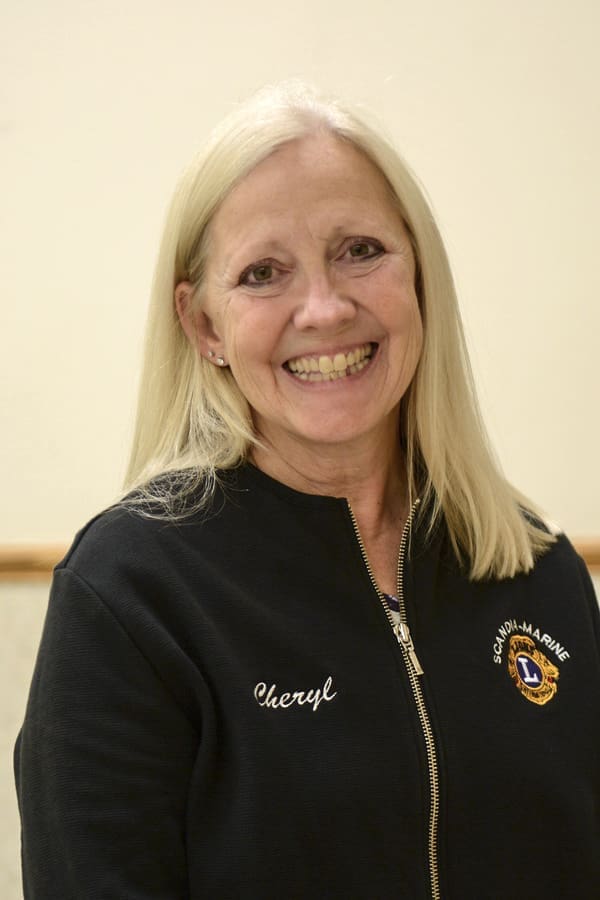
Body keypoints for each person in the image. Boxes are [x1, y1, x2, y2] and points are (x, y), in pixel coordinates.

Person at [15, 81, 600, 899]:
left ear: (420, 277)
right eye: (263, 273)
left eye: (360, 250)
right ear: (205, 325)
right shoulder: (130, 596)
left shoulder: (539, 570)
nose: (324, 309)